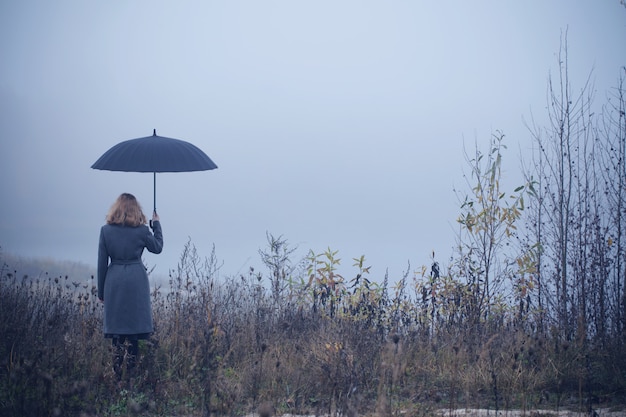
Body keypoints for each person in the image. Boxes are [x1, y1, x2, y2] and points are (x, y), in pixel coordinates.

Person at [97, 193, 163, 381]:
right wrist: (156, 224)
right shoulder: (141, 231)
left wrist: (101, 292)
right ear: (136, 209)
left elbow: (102, 264)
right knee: (134, 333)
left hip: (114, 281)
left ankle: (118, 378)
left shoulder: (105, 231)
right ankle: (132, 378)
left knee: (117, 332)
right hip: (136, 281)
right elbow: (157, 247)